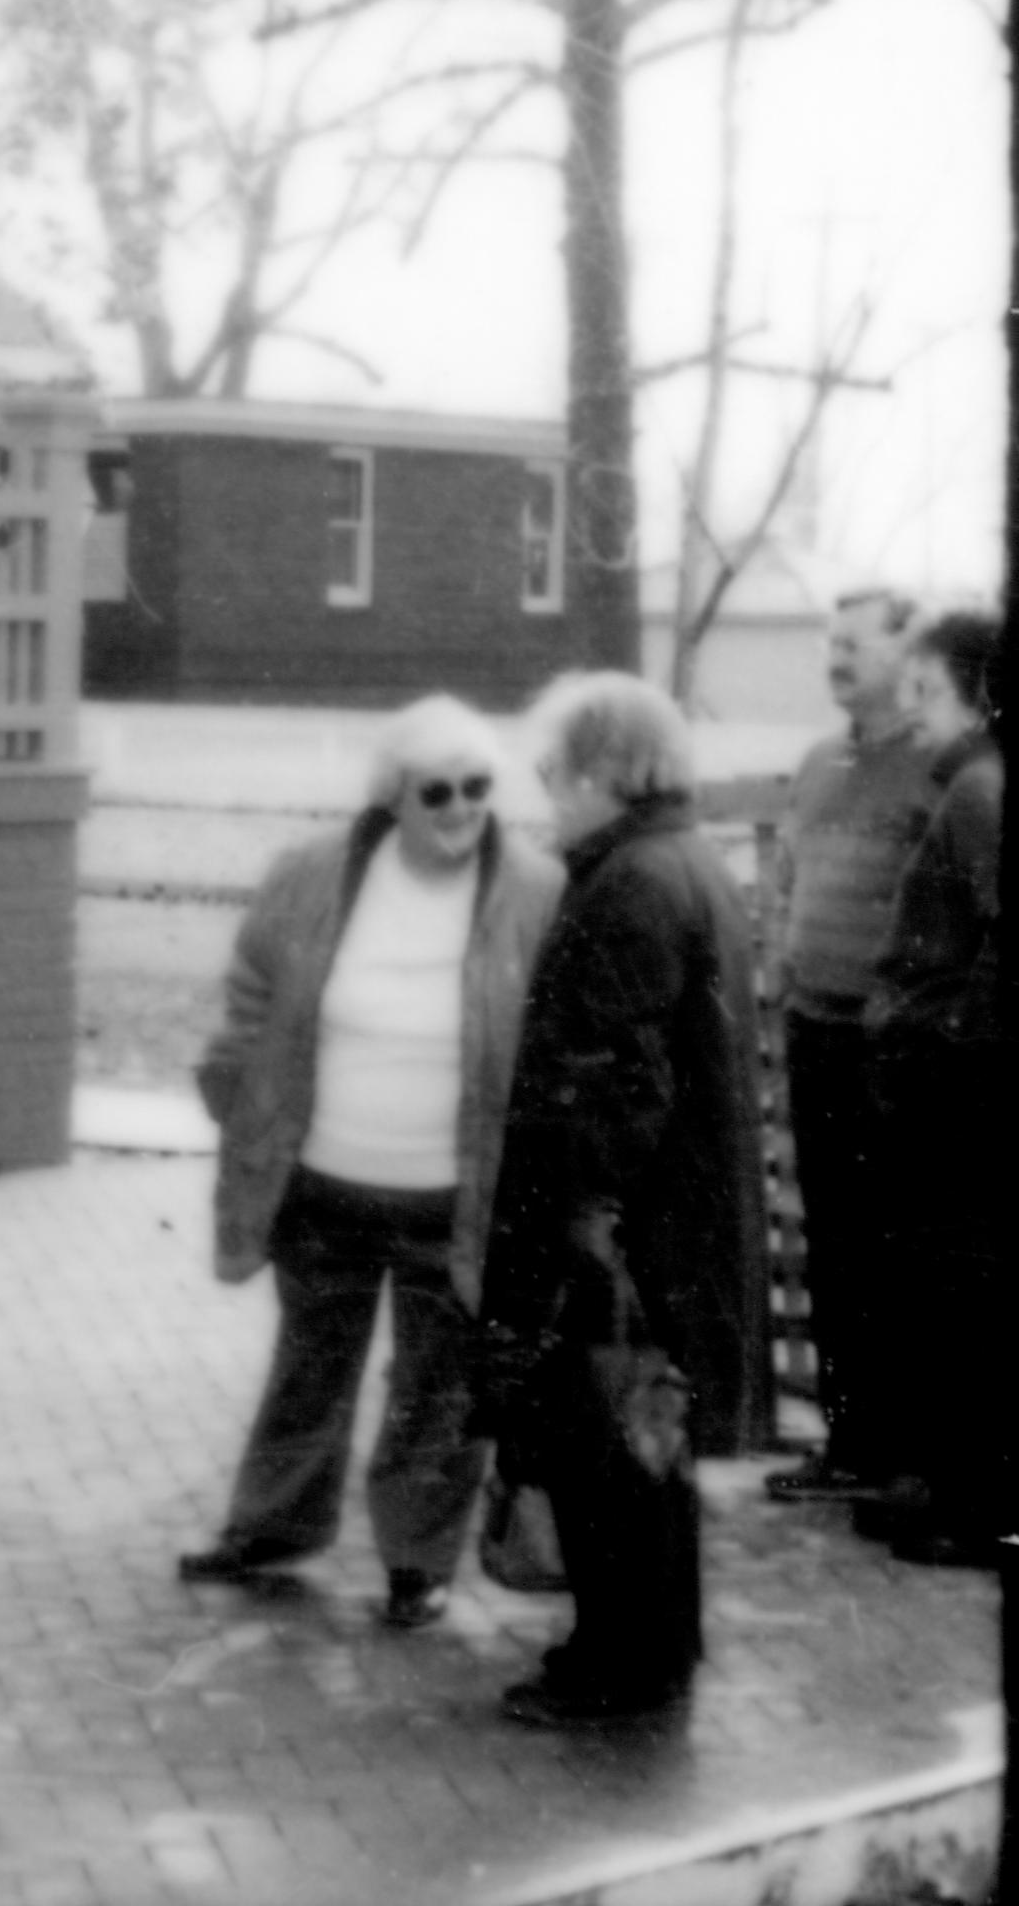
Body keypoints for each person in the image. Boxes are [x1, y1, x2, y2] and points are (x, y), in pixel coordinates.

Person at [177, 697, 563, 1629]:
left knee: (438, 1389)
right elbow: (252, 1000)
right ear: (393, 795)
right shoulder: (309, 876)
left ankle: (416, 1564)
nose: (462, 808)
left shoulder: (537, 890)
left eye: (480, 787)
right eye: (438, 791)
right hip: (325, 1186)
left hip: (454, 1199)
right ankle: (269, 1531)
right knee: (309, 1366)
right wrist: (247, 1107)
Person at [482, 672, 770, 1729]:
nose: (545, 794)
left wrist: (574, 1220)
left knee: (608, 1455)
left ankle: (620, 1667)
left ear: (607, 771)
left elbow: (615, 1084)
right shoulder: (681, 862)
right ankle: (647, 1653)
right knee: (648, 1455)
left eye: (554, 772)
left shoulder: (629, 885)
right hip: (666, 1232)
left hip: (620, 1240)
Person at [763, 587, 937, 1507]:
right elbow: (786, 879)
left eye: (854, 644)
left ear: (909, 658)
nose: (835, 657)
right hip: (813, 1029)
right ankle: (848, 1442)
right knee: (828, 1238)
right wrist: (784, 976)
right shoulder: (817, 761)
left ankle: (906, 1452)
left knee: (895, 1243)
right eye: (829, 641)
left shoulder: (936, 767)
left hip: (889, 1043)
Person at [860, 608, 1002, 1570]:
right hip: (944, 1082)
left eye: (926, 693)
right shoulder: (965, 787)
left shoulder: (981, 794)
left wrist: (947, 1039)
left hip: (963, 1095)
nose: (909, 715)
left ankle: (980, 1505)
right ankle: (947, 1485)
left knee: (967, 1293)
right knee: (942, 1289)